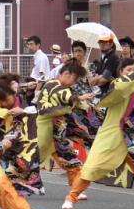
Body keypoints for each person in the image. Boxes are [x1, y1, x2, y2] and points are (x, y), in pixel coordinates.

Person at [63, 58, 134, 209]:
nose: (132, 72)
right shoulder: (116, 85)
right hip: (112, 134)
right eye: (128, 70)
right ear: (121, 71)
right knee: (93, 166)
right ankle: (71, 197)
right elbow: (124, 85)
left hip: (131, 136)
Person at [0, 81, 43, 209]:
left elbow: (35, 112)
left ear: (13, 94)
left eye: (6, 100)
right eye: (0, 101)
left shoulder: (24, 106)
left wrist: (11, 139)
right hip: (8, 154)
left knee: (7, 183)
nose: (4, 104)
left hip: (24, 152)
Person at [36, 60, 95, 195]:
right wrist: (79, 97)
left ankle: (76, 189)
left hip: (57, 131)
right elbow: (62, 95)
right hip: (44, 128)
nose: (74, 83)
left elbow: (69, 101)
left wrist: (83, 102)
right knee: (28, 160)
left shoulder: (65, 88)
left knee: (70, 159)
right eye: (74, 80)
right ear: (66, 74)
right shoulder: (52, 84)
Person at [89, 31, 120, 97]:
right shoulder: (102, 58)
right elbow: (92, 80)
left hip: (110, 94)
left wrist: (97, 79)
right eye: (100, 42)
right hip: (101, 94)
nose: (102, 44)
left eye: (105, 42)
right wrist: (99, 77)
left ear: (111, 44)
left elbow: (103, 80)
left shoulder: (113, 57)